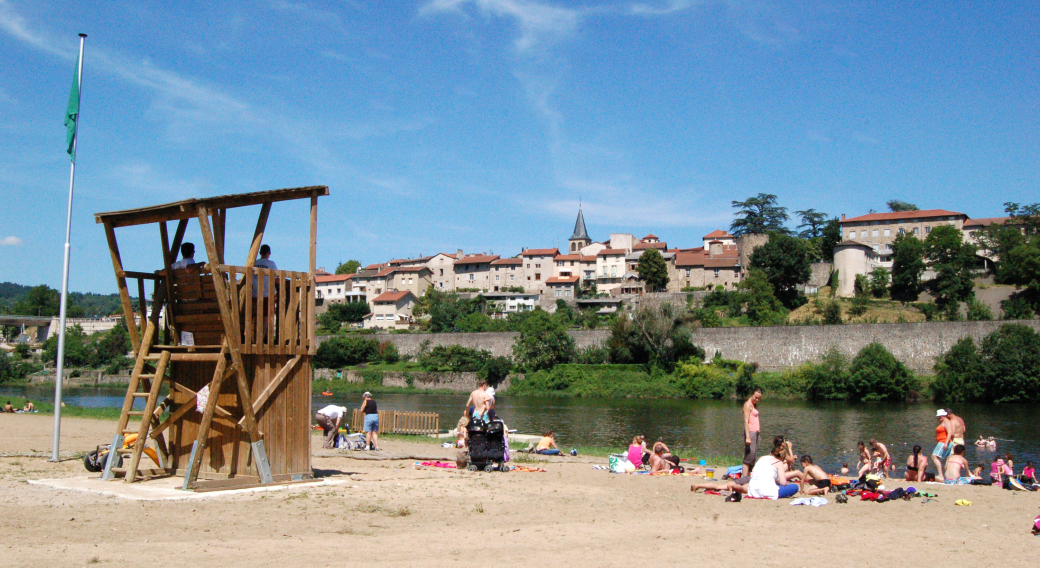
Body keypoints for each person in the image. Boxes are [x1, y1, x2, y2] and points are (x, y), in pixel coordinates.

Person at [741, 388, 763, 477]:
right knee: (749, 455)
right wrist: (748, 436)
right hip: (750, 432)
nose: (757, 400)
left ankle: (749, 475)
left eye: (759, 398)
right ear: (751, 394)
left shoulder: (753, 405)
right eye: (756, 397)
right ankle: (744, 477)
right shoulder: (747, 405)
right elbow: (746, 421)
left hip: (756, 432)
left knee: (753, 455)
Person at [932, 409, 955, 482]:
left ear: (943, 415)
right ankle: (949, 475)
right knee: (948, 459)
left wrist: (946, 443)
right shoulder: (944, 422)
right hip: (943, 441)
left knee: (934, 456)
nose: (938, 418)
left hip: (944, 441)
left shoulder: (946, 422)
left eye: (939, 416)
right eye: (938, 416)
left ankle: (940, 475)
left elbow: (949, 433)